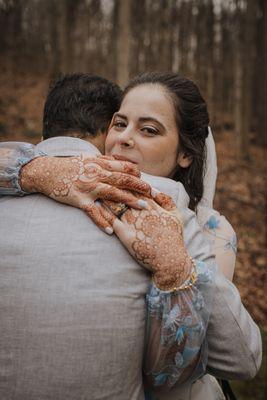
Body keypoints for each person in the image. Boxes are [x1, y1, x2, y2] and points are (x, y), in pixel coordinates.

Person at [0, 73, 262, 399]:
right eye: (119, 124)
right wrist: (31, 170)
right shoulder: (65, 184)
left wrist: (175, 271)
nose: (123, 138)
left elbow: (236, 357)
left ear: (185, 153)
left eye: (148, 130)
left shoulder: (201, 223)